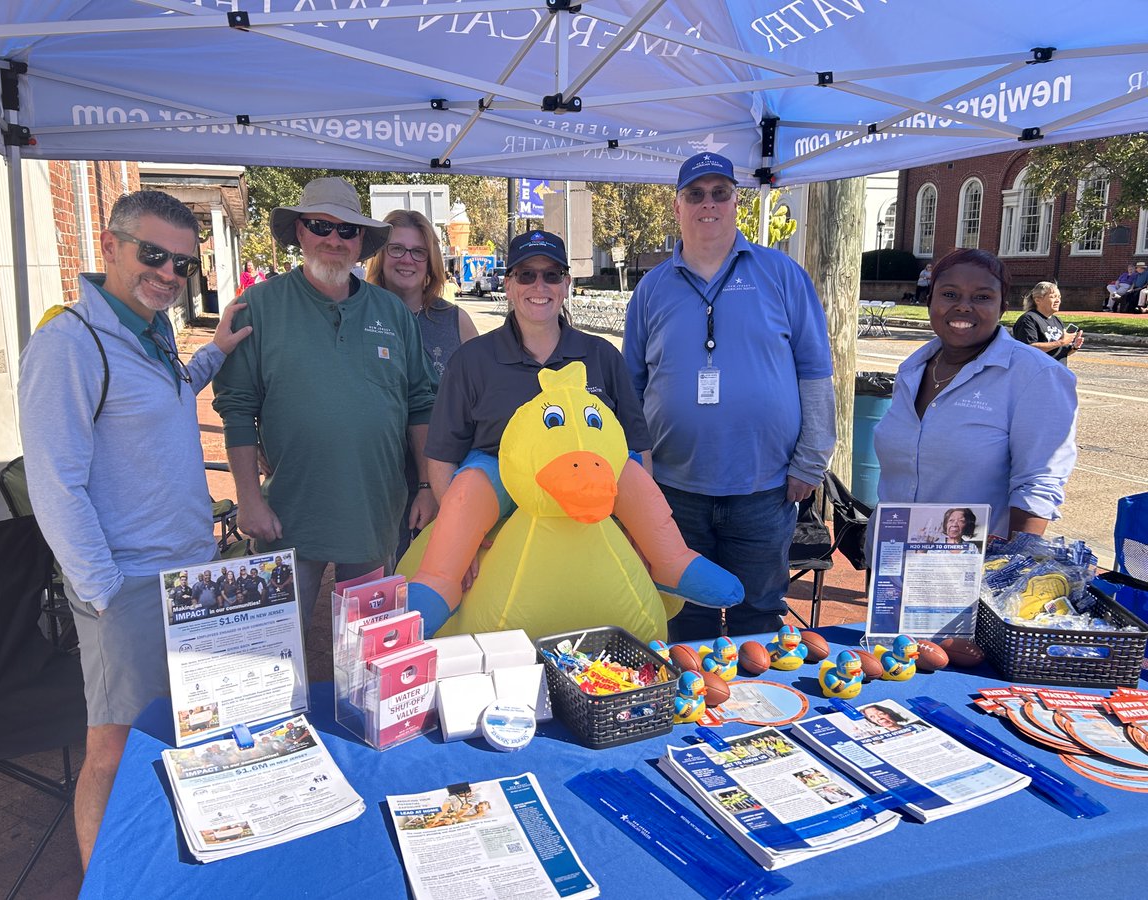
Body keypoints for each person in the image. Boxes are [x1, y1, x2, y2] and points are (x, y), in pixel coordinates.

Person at [17, 189, 252, 870]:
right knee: (112, 749)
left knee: (178, 731)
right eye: (154, 255)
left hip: (185, 572)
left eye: (182, 263)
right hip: (128, 584)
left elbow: (166, 396)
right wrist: (102, 589)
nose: (169, 274)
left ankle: (164, 861)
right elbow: (54, 481)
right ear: (113, 245)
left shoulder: (149, 331)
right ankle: (108, 882)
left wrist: (214, 353)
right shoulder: (71, 340)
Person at [407, 229, 740, 633]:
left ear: (567, 284)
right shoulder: (473, 360)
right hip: (504, 488)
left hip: (589, 487)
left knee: (627, 469)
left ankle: (675, 561)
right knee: (471, 482)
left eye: (551, 275)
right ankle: (438, 584)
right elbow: (442, 454)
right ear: (509, 285)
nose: (539, 286)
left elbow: (635, 446)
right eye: (526, 275)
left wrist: (632, 523)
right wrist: (465, 539)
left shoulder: (601, 355)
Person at [622, 151, 836, 641]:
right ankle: (695, 713)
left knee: (758, 615)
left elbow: (815, 373)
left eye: (720, 193)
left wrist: (811, 461)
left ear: (736, 202)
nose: (708, 204)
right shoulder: (652, 289)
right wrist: (634, 470)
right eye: (695, 194)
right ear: (677, 207)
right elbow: (630, 388)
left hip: (764, 487)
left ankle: (763, 710)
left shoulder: (781, 275)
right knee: (683, 614)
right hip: (673, 488)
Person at [213, 177, 436, 625]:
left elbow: (420, 403)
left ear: (361, 242)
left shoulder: (392, 313)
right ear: (300, 232)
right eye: (320, 225)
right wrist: (248, 499)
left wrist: (428, 487)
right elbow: (236, 408)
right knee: (277, 644)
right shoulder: (258, 306)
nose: (334, 239)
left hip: (373, 511)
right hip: (289, 512)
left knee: (369, 652)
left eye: (347, 230)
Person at [873, 248, 1078, 540]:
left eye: (982, 297)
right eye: (949, 294)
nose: (964, 306)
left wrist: (1008, 569)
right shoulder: (912, 370)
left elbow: (1038, 484)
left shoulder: (1036, 376)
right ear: (930, 300)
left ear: (1002, 306)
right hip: (892, 562)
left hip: (974, 572)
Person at [366, 209, 479, 562]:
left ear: (430, 262)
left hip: (445, 474)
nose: (407, 260)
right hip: (376, 477)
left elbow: (480, 401)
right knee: (382, 582)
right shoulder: (358, 316)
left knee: (440, 572)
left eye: (418, 252)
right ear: (381, 256)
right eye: (397, 249)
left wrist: (434, 485)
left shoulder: (455, 321)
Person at [1012, 281, 1081, 366]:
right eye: (1053, 297)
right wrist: (1061, 342)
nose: (1058, 300)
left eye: (1059, 297)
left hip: (1056, 374)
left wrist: (1074, 346)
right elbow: (1029, 349)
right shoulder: (1028, 319)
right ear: (1038, 300)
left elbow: (1061, 352)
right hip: (1037, 374)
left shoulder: (1057, 320)